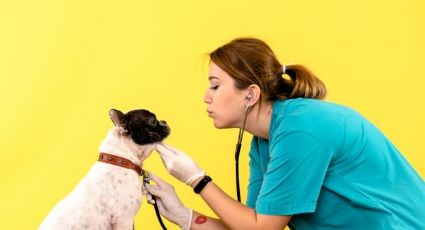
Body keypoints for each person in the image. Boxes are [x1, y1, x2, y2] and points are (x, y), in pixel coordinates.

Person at [144, 37, 425, 229]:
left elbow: (261, 228)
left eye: (215, 86)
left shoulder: (300, 128)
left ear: (251, 94)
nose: (206, 97)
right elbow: (252, 223)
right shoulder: (263, 145)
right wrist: (186, 216)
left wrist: (197, 180)